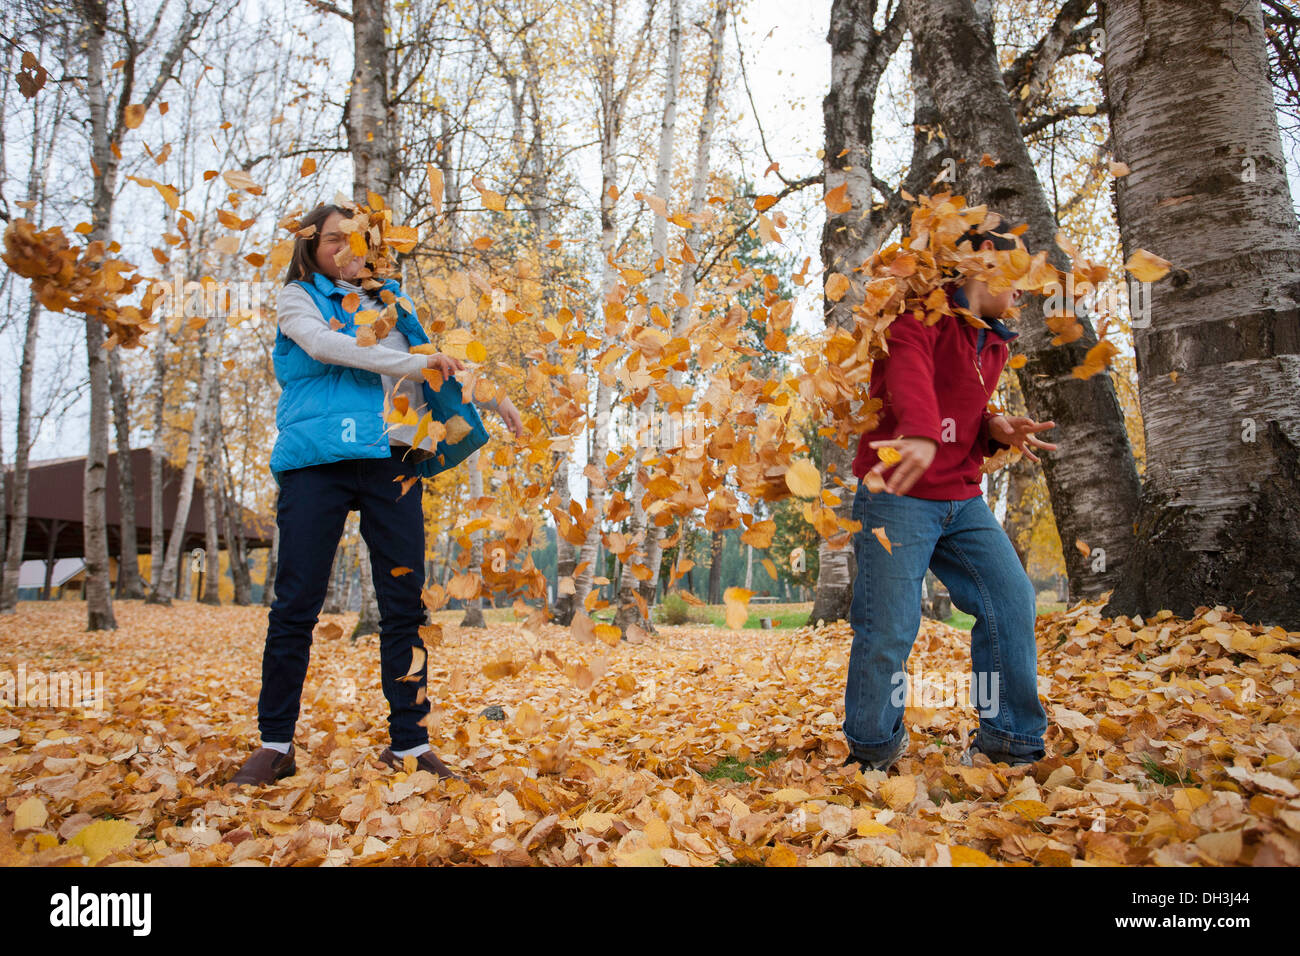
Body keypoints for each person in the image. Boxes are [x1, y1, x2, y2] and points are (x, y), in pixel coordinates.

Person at [228, 202, 524, 787]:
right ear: (310, 247)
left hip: (395, 462)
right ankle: (275, 743)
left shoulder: (392, 305)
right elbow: (326, 348)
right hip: (320, 464)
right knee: (297, 602)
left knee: (404, 606)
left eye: (356, 239)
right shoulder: (298, 299)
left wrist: (493, 396)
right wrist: (417, 367)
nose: (345, 249)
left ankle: (410, 746)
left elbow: (431, 362)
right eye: (332, 239)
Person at [842, 225, 1056, 773]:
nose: (1025, 290)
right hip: (896, 492)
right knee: (889, 626)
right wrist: (917, 429)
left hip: (961, 496)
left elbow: (960, 405)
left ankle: (1009, 739)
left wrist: (995, 427)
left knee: (1010, 601)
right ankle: (873, 749)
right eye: (1021, 275)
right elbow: (909, 373)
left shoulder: (994, 340)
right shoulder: (918, 318)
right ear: (984, 258)